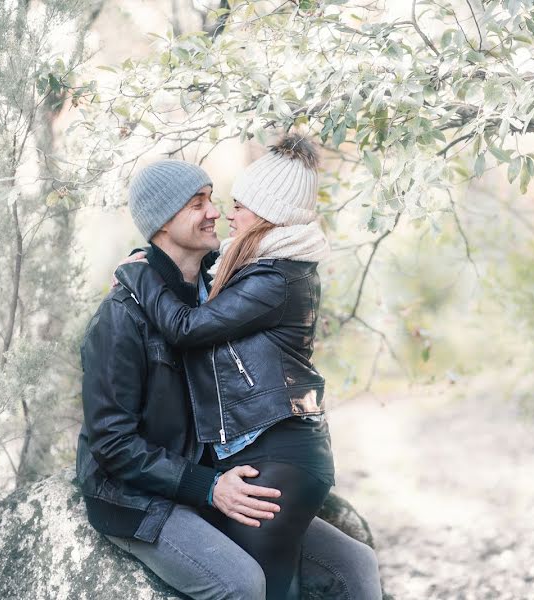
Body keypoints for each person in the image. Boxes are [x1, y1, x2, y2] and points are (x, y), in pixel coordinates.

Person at [77, 158, 381, 599]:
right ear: (162, 221)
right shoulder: (123, 316)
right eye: (197, 203)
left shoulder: (218, 290)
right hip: (139, 498)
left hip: (205, 482)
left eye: (212, 200)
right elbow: (112, 444)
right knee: (242, 582)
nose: (215, 212)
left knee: (353, 565)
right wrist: (209, 486)